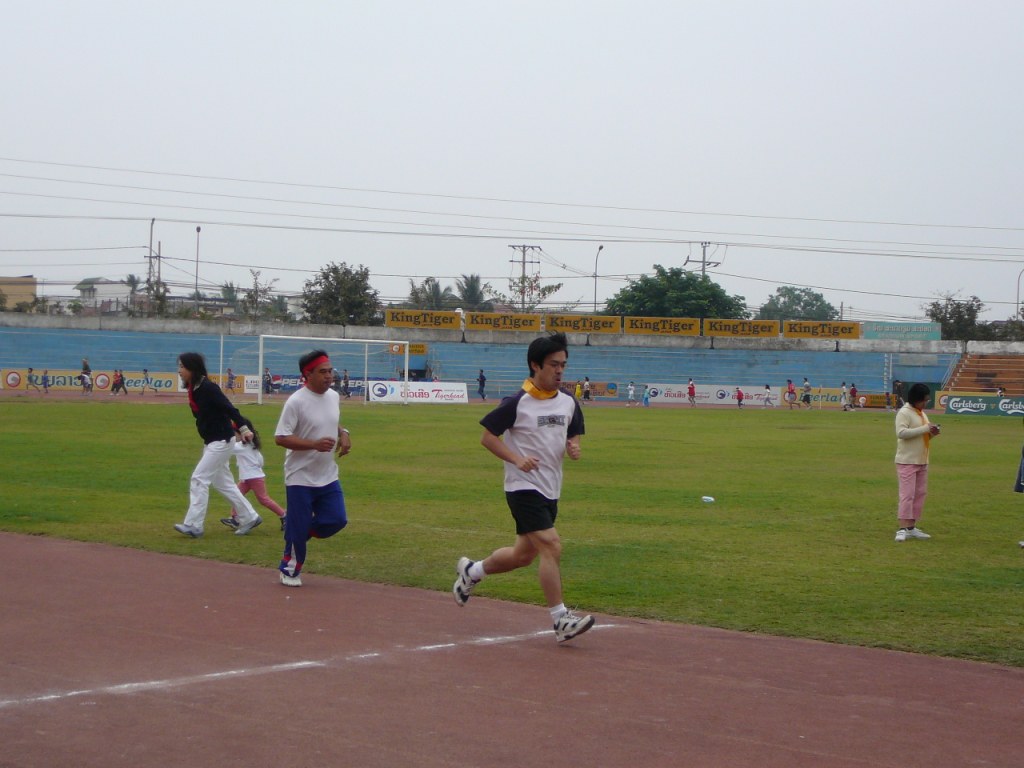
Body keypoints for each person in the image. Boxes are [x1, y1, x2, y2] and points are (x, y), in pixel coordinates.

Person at [452, 332, 594, 644]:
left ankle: (472, 572)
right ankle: (561, 620)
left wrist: (574, 446)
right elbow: (487, 437)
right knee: (552, 546)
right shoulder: (518, 403)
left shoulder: (569, 401)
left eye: (563, 365)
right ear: (535, 365)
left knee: (522, 556)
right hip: (522, 487)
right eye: (553, 365)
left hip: (551, 488)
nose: (559, 371)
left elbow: (573, 432)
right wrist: (516, 459)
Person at [274, 349, 352, 587]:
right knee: (297, 531)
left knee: (336, 520)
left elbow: (330, 420)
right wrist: (313, 445)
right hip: (300, 477)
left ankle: (298, 531)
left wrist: (344, 433)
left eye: (330, 371)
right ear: (307, 374)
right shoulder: (295, 402)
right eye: (323, 372)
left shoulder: (333, 396)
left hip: (327, 475)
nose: (329, 376)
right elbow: (280, 437)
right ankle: (289, 570)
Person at [174, 353, 263, 539]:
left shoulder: (208, 388)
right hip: (213, 441)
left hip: (221, 442)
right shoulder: (195, 388)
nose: (179, 370)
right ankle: (250, 517)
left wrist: (244, 429)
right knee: (224, 484)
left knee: (199, 479)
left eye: (182, 366)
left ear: (193, 368)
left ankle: (194, 525)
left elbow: (230, 409)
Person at [221, 419, 287, 532]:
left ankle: (284, 515)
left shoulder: (240, 447)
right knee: (236, 494)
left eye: (234, 434)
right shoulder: (251, 445)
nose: (233, 436)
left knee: (263, 499)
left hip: (254, 478)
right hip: (248, 478)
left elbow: (226, 448)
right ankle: (235, 518)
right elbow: (260, 460)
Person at [894, 383, 940, 543]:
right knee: (907, 495)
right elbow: (901, 433)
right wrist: (925, 429)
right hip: (907, 461)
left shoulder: (921, 414)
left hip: (922, 460)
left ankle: (912, 527)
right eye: (924, 400)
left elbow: (922, 435)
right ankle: (901, 528)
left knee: (920, 494)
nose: (926, 403)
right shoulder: (904, 413)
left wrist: (932, 433)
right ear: (916, 399)